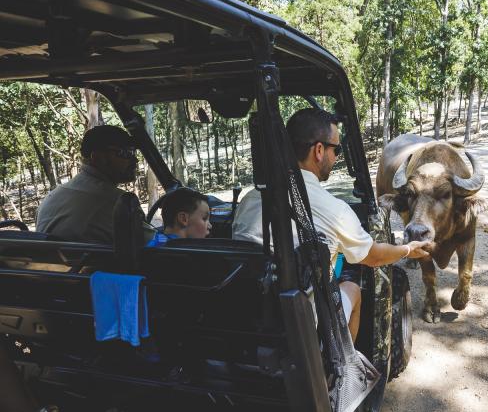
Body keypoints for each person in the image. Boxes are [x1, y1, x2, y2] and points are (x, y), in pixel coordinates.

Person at [233, 108, 432, 341]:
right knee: (352, 289)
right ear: (318, 151)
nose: (336, 157)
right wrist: (409, 249)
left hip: (247, 317)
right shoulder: (335, 211)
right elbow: (375, 257)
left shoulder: (249, 199)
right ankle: (343, 371)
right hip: (300, 327)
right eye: (336, 149)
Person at [36, 125, 139, 244]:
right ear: (97, 158)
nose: (134, 160)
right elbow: (150, 247)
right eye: (125, 153)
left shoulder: (50, 198)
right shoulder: (120, 203)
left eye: (133, 152)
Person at [146, 189, 211, 247]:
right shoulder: (185, 252)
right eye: (204, 218)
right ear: (183, 219)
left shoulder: (156, 242)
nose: (210, 226)